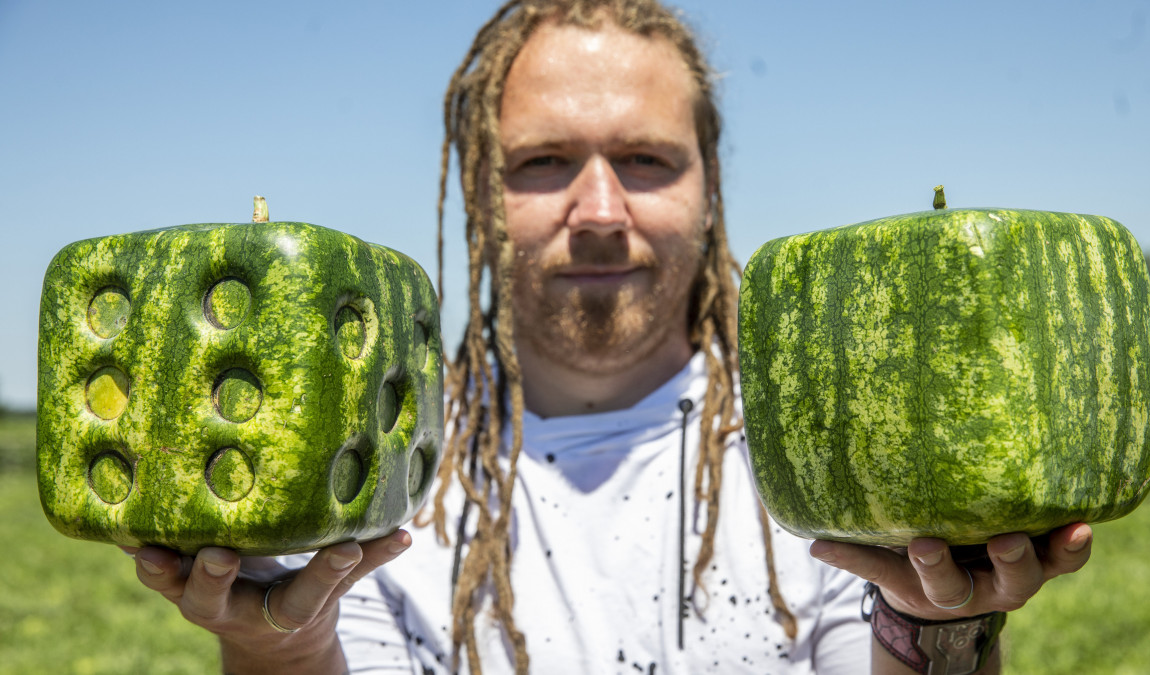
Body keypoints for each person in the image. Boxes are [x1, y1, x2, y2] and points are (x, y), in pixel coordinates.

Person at [127, 1, 1094, 673]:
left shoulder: (829, 454)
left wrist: (942, 629)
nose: (598, 208)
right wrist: (276, 642)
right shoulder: (377, 470)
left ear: (707, 186)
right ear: (479, 194)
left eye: (644, 159)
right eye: (544, 161)